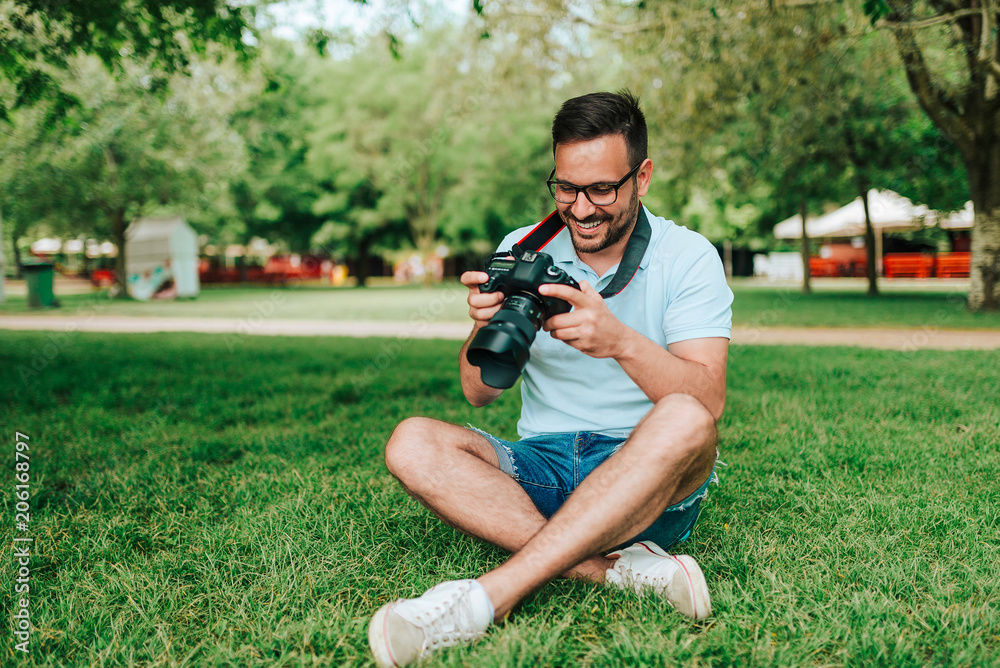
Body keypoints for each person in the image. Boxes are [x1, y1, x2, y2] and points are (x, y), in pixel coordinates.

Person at [368, 90, 733, 667]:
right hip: (542, 466)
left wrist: (618, 342)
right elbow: (478, 392)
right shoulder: (524, 248)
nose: (582, 209)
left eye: (601, 190)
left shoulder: (688, 256)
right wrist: (485, 328)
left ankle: (487, 599)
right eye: (566, 188)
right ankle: (617, 574)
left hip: (647, 474)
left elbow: (708, 400)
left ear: (642, 177)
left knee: (686, 416)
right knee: (413, 440)